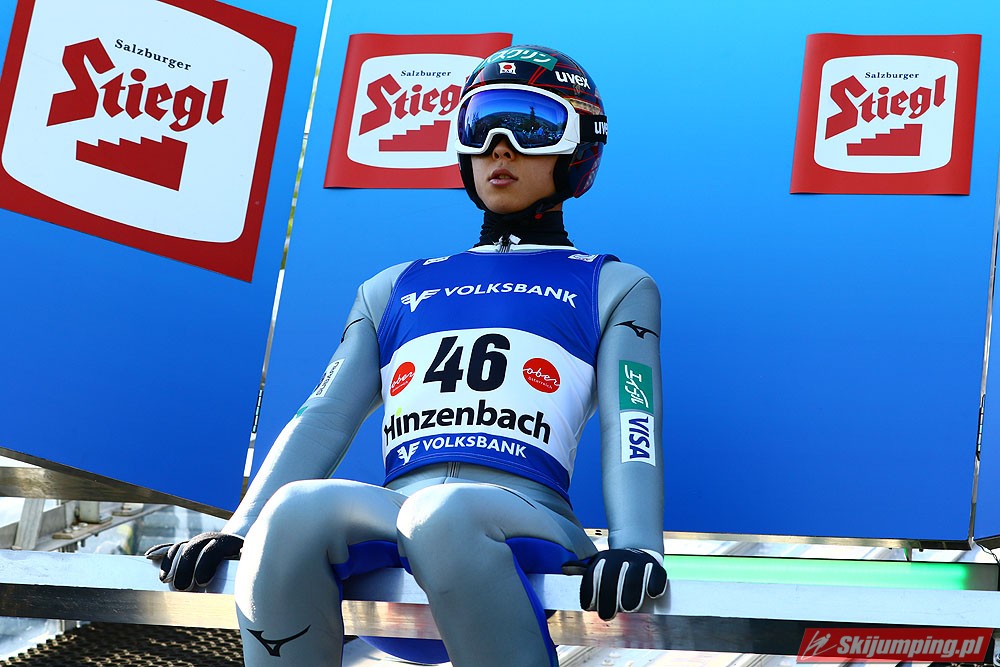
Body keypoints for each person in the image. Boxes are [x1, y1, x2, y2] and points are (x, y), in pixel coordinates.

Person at [146, 44, 667, 667]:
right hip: (397, 517)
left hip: (526, 522)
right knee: (291, 512)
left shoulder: (614, 285)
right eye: (481, 124)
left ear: (578, 147)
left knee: (442, 513)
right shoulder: (393, 286)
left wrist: (639, 545)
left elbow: (632, 421)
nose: (500, 148)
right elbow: (323, 416)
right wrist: (239, 529)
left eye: (531, 126)